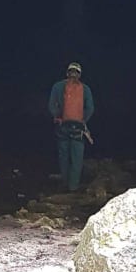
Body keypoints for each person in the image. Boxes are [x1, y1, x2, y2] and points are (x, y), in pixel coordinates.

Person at [48, 62, 94, 192]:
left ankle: (65, 183)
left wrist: (58, 115)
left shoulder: (58, 86)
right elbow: (90, 108)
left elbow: (52, 105)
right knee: (76, 157)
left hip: (63, 125)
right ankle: (73, 186)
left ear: (67, 72)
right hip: (77, 127)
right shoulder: (85, 89)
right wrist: (83, 120)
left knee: (64, 156)